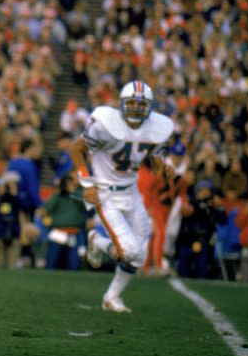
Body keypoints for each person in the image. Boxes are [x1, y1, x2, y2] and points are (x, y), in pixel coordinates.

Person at [70, 80, 174, 313]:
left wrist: (161, 167)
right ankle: (96, 241)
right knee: (128, 251)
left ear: (150, 107)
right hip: (105, 193)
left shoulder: (155, 129)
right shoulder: (106, 125)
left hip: (131, 191)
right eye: (132, 103)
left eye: (142, 104)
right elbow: (76, 149)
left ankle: (111, 297)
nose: (136, 108)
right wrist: (86, 183)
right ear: (121, 104)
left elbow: (148, 156)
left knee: (140, 254)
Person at [38, 172, 86, 270]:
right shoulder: (57, 197)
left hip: (74, 234)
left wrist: (73, 191)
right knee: (52, 263)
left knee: (73, 265)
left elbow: (85, 205)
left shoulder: (79, 194)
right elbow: (42, 211)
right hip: (58, 233)